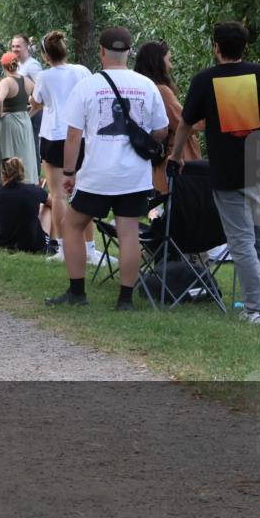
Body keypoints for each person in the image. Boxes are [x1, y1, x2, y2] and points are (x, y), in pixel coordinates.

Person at [171, 22, 260, 323]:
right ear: (245, 47)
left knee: (241, 241)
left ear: (216, 48)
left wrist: (175, 156)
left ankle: (255, 309)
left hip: (225, 171)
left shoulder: (204, 80)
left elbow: (186, 124)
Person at [47, 27, 168, 311]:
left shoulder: (88, 86)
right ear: (129, 52)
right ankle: (125, 299)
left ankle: (77, 292)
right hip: (134, 175)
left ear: (101, 52)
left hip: (96, 175)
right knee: (128, 231)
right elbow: (162, 130)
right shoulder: (146, 85)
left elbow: (74, 136)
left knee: (73, 225)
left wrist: (68, 173)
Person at [31, 30, 92, 260]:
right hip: (80, 135)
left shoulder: (44, 77)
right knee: (84, 192)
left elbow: (37, 102)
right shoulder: (82, 71)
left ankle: (63, 246)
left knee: (57, 195)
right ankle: (89, 248)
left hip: (53, 135)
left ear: (47, 57)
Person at [133, 40, 203, 193]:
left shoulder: (141, 88)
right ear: (158, 62)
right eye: (169, 60)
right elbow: (182, 123)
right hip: (176, 158)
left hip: (155, 159)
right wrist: (205, 116)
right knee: (183, 205)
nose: (171, 66)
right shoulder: (162, 91)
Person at [0, 158, 51, 252]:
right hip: (33, 245)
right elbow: (54, 202)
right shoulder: (32, 191)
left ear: (3, 175)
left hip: (6, 244)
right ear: (22, 172)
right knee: (47, 206)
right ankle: (54, 240)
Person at [0, 52, 39, 184]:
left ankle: (11, 185)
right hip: (25, 122)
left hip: (10, 123)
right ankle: (28, 182)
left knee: (10, 155)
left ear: (4, 66)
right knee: (26, 154)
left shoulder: (6, 82)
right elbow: (39, 102)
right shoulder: (27, 80)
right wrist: (28, 114)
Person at [12, 34, 44, 168]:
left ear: (26, 47)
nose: (15, 49)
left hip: (33, 113)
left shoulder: (32, 65)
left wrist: (30, 102)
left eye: (18, 46)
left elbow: (41, 90)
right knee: (23, 147)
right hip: (23, 113)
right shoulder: (18, 65)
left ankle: (35, 180)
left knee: (32, 146)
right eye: (13, 46)